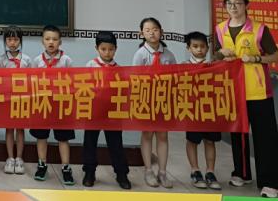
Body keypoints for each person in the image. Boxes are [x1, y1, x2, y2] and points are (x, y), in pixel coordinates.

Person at [215, 0, 278, 198]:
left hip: (258, 92)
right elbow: (217, 55)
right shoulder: (220, 29)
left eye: (238, 3)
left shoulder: (259, 29)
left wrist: (255, 59)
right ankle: (242, 173)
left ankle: (270, 182)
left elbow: (275, 56)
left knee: (264, 138)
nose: (233, 7)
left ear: (247, 5)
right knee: (238, 135)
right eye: (229, 3)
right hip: (233, 91)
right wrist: (220, 54)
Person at [82, 31, 131, 189]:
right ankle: (89, 172)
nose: (107, 53)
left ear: (116, 49)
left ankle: (121, 174)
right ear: (97, 48)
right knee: (90, 143)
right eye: (103, 49)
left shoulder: (119, 69)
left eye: (110, 49)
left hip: (113, 113)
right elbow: (84, 87)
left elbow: (124, 91)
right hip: (93, 111)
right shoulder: (90, 65)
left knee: (116, 144)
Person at [132, 17, 176, 188]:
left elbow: (175, 78)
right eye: (148, 30)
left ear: (161, 32)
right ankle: (149, 170)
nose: (152, 33)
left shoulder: (169, 55)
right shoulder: (140, 54)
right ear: (141, 34)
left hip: (164, 100)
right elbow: (135, 79)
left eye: (155, 29)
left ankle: (162, 172)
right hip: (147, 101)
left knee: (163, 135)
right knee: (148, 134)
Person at [30, 25, 74, 185]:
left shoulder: (66, 60)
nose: (51, 42)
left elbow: (72, 82)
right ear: (42, 41)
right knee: (41, 136)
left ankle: (66, 168)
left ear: (60, 42)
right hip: (43, 104)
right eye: (47, 39)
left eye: (55, 39)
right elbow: (33, 82)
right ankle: (42, 165)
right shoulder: (37, 61)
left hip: (61, 105)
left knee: (63, 138)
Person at [182, 31, 221, 190]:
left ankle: (210, 172)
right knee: (193, 140)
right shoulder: (184, 65)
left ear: (208, 48)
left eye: (203, 46)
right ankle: (195, 170)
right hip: (192, 110)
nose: (199, 50)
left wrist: (212, 68)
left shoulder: (214, 65)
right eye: (195, 46)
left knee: (210, 141)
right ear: (189, 48)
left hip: (210, 109)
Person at [0, 25, 30, 175]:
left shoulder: (27, 60)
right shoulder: (1, 60)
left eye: (16, 39)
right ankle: (10, 158)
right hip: (7, 99)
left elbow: (31, 80)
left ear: (20, 41)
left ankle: (19, 158)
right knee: (9, 128)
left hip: (22, 99)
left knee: (20, 128)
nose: (12, 42)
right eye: (9, 39)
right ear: (5, 41)